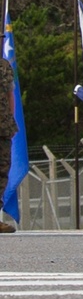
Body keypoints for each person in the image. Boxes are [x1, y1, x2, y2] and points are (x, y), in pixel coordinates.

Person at [0, 53, 16, 235]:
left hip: (3, 127)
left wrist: (10, 120)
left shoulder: (4, 66)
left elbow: (10, 94)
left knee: (2, 170)